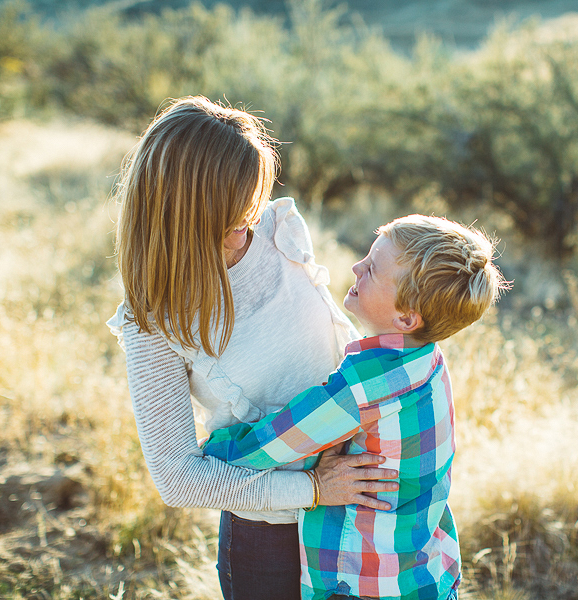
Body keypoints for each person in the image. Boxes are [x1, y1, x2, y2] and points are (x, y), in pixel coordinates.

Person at [107, 96, 399, 600]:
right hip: (271, 539)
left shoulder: (276, 226)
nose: (249, 221)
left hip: (355, 503)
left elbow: (332, 341)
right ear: (182, 216)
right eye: (233, 215)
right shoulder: (154, 320)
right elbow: (178, 478)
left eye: (253, 201)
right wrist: (311, 490)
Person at [202, 214, 509, 600]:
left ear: (406, 317)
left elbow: (275, 443)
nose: (356, 267)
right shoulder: (428, 360)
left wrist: (213, 450)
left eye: (373, 269)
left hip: (363, 584)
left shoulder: (367, 386)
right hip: (427, 574)